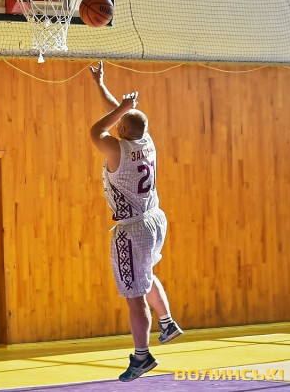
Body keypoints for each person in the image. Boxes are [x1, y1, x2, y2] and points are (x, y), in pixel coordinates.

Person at [89, 60, 184, 382]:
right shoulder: (147, 140)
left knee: (134, 295)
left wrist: (120, 108)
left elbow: (96, 130)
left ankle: (142, 356)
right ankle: (167, 322)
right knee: (146, 275)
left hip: (133, 229)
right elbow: (123, 117)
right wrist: (102, 85)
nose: (117, 125)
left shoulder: (117, 150)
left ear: (122, 132)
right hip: (156, 219)